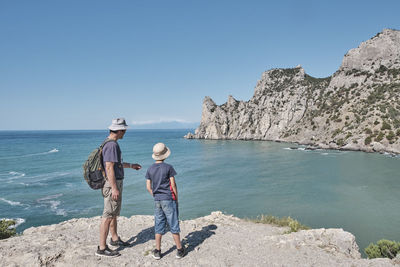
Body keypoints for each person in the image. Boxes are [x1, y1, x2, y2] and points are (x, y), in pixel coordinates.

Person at [95, 118, 142, 257]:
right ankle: (102, 248)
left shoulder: (109, 143)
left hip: (113, 182)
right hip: (112, 184)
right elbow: (109, 167)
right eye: (124, 130)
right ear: (120, 130)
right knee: (108, 214)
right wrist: (114, 188)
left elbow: (116, 164)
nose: (125, 132)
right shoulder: (112, 145)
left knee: (114, 213)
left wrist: (131, 165)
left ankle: (114, 239)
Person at [145, 142, 185, 260]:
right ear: (165, 155)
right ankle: (179, 249)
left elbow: (148, 187)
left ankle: (157, 251)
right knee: (173, 223)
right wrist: (176, 198)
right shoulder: (168, 167)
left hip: (157, 200)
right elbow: (173, 185)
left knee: (159, 224)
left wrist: (156, 195)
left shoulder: (150, 169)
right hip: (168, 199)